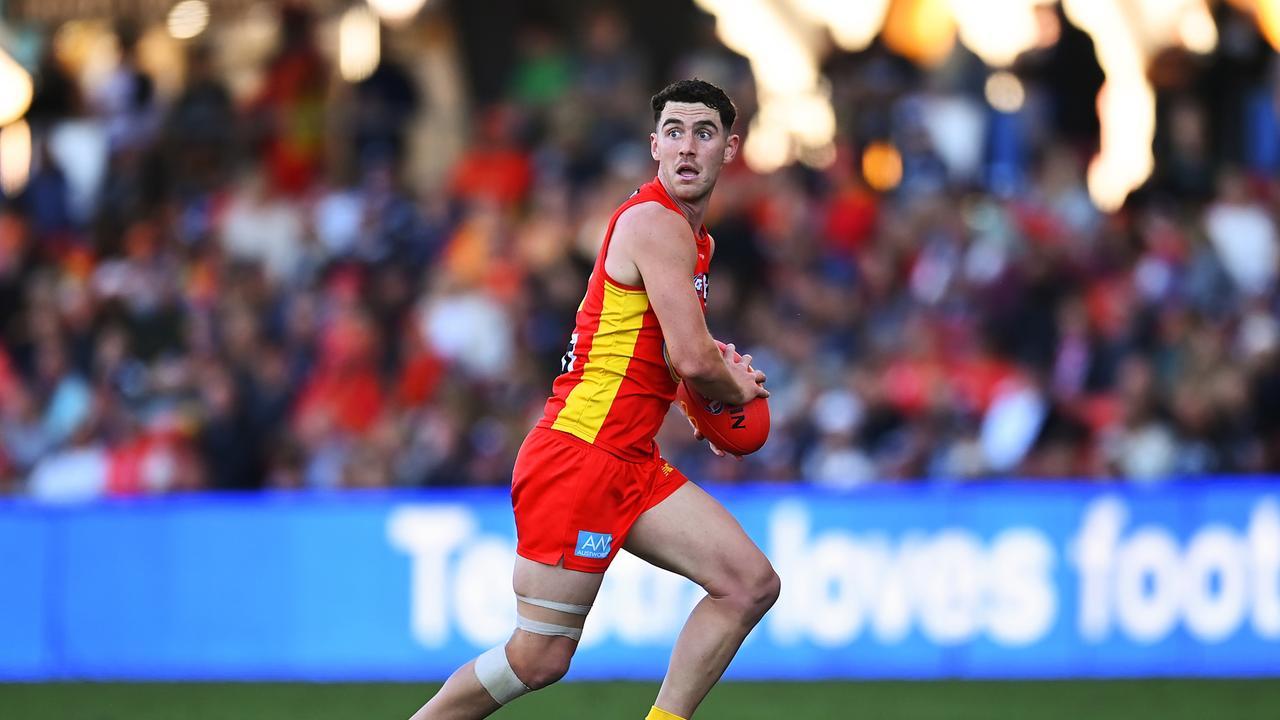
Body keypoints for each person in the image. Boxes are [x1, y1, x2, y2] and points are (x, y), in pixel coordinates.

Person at [409, 79, 777, 720]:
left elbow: (668, 356)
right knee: (538, 658)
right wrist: (729, 383)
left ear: (730, 149)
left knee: (748, 584)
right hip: (581, 452)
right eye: (674, 132)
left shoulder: (695, 239)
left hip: (627, 456)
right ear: (654, 147)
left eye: (705, 133)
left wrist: (709, 380)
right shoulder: (656, 223)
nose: (688, 147)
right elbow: (690, 359)